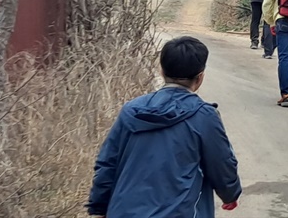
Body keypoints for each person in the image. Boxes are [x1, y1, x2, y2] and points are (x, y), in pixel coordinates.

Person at [87, 36, 241, 218]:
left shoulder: (131, 110)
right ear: (200, 78)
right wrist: (229, 194)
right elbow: (221, 163)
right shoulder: (203, 116)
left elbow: (108, 163)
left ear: (161, 71)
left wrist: (99, 207)